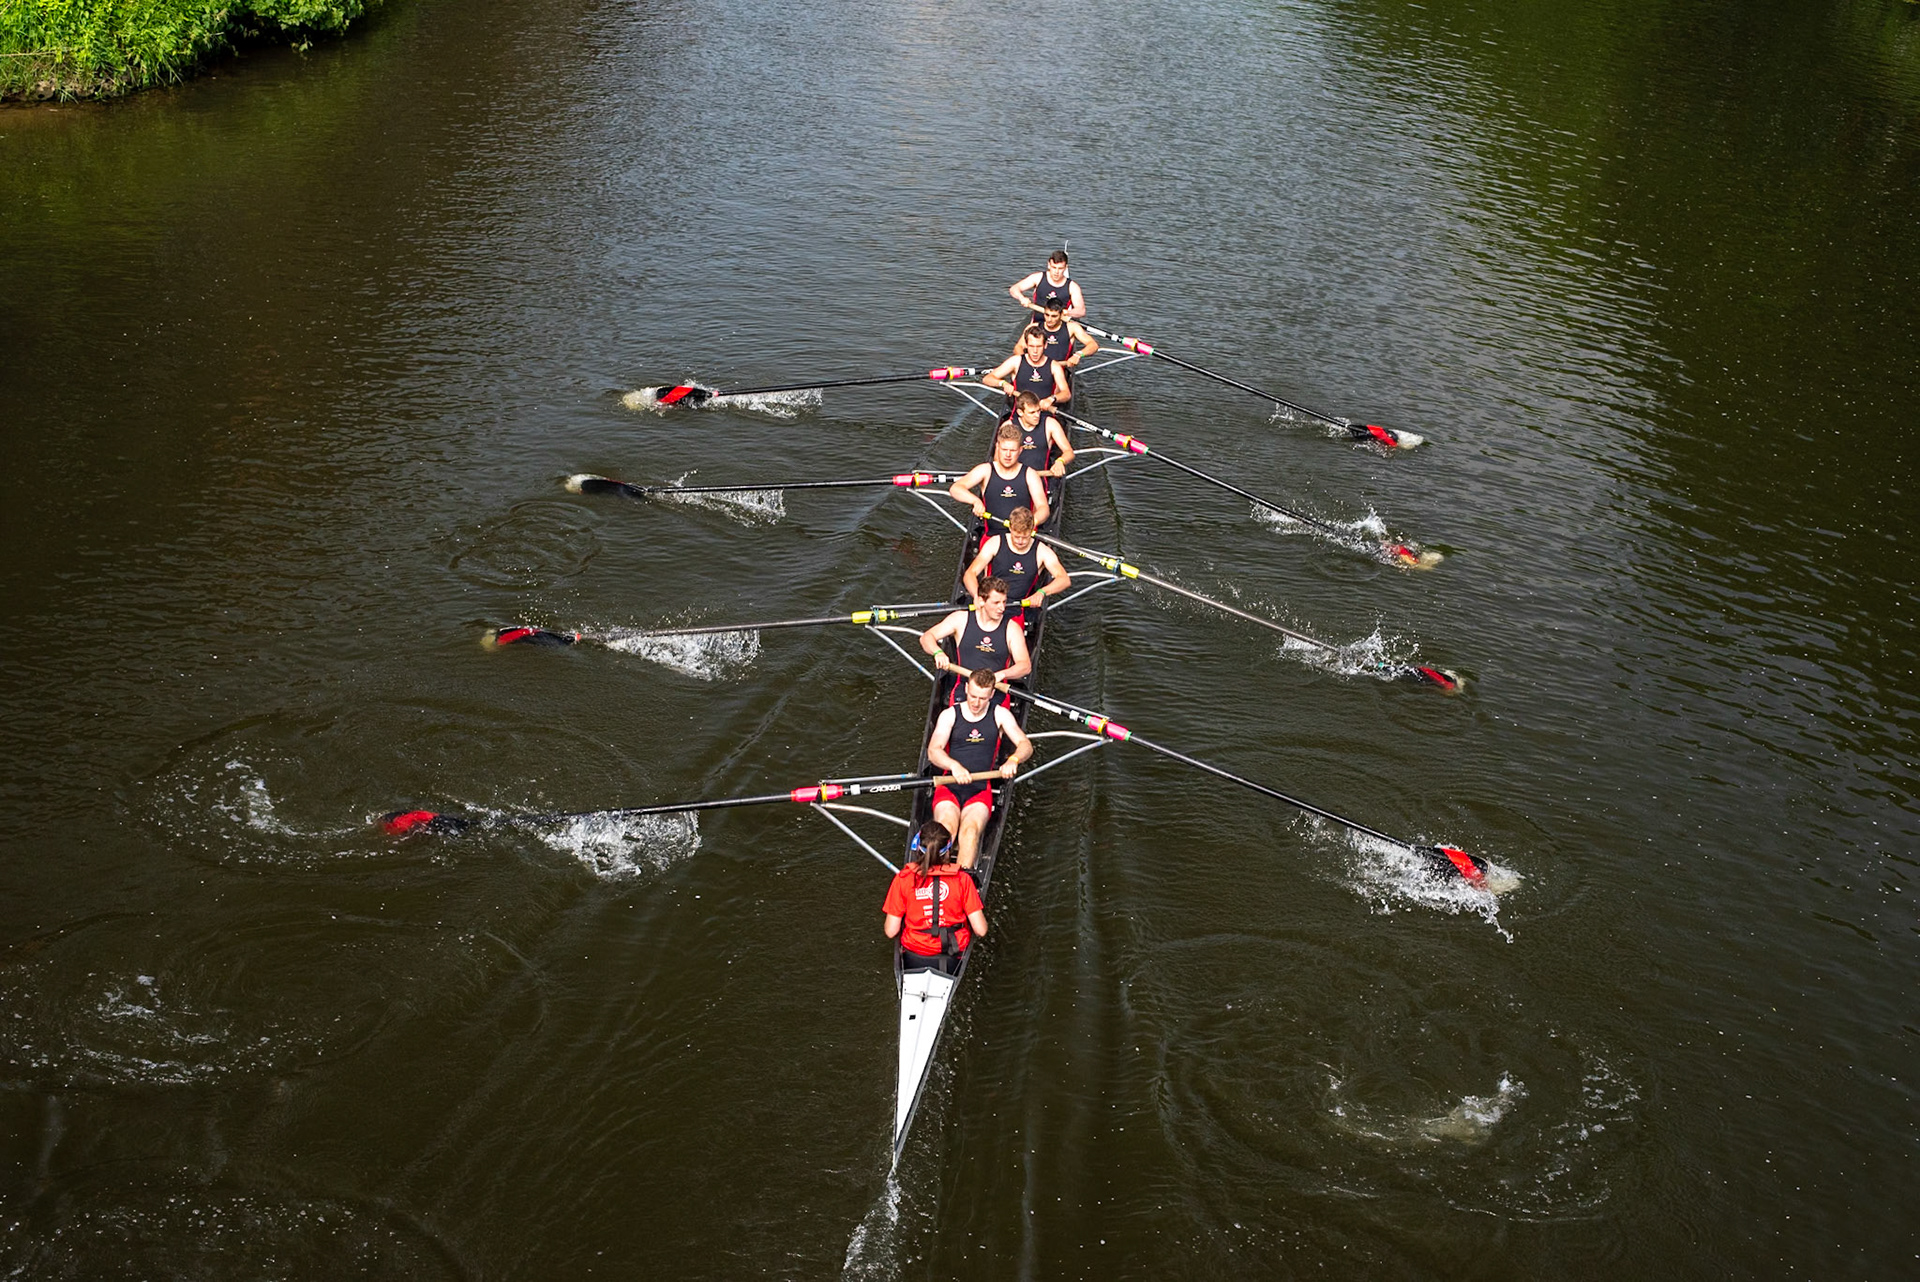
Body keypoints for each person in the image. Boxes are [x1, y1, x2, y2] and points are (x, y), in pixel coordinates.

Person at [924, 667, 1033, 869]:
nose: (976, 703)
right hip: (949, 786)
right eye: (973, 696)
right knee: (947, 829)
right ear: (966, 689)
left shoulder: (1001, 714)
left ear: (992, 694)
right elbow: (934, 751)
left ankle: (962, 883)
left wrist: (1014, 759)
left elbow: (1025, 745)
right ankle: (937, 880)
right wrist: (954, 766)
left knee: (970, 831)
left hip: (980, 790)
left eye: (983, 698)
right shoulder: (950, 715)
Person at [883, 819, 988, 970]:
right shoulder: (963, 879)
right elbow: (981, 930)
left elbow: (891, 931)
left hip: (914, 954)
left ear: (918, 848)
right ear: (948, 851)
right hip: (953, 953)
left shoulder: (903, 879)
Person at [919, 577, 1032, 687]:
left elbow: (1025, 666)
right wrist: (937, 652)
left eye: (1004, 602)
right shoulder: (960, 619)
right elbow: (926, 637)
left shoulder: (1012, 629)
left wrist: (1001, 675)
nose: (1002, 608)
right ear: (981, 601)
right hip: (964, 687)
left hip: (995, 689)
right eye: (996, 603)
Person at [949, 419, 1049, 536]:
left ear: (1020, 450)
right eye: (1004, 449)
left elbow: (1044, 508)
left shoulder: (1030, 474)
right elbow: (955, 488)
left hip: (1022, 536)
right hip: (992, 537)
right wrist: (975, 501)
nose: (1007, 455)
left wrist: (1030, 523)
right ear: (997, 447)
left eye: (1012, 450)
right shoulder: (985, 470)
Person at [962, 506, 1070, 611]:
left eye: (1025, 537)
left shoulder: (1042, 551)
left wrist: (1042, 592)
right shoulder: (995, 543)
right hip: (990, 604)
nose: (1020, 541)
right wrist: (977, 596)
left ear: (1032, 530)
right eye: (1016, 536)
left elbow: (1064, 579)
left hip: (1017, 608)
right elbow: (970, 573)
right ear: (1010, 528)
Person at [981, 325, 1070, 412]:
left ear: (1045, 345)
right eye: (1031, 346)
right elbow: (987, 378)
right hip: (1020, 414)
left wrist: (1052, 399)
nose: (1035, 351)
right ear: (1026, 345)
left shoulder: (1054, 366)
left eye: (1038, 346)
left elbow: (1066, 393)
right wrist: (1003, 383)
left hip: (1043, 412)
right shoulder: (1016, 361)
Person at [1001, 391, 1075, 485]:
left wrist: (1060, 461)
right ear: (1020, 412)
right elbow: (998, 459)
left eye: (1038, 411)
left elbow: (1069, 452)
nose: (1037, 416)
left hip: (1039, 481)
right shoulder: (1008, 426)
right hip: (1014, 480)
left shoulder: (1050, 424)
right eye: (1032, 412)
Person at [1008, 249, 1086, 319]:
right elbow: (1014, 289)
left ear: (1066, 268)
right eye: (1054, 267)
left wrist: (1066, 312)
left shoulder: (1072, 287)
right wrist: (1022, 298)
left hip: (1060, 325)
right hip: (1038, 324)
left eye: (1060, 268)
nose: (1056, 272)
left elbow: (1081, 311)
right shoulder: (1037, 278)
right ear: (1048, 265)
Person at [1035, 297, 1098, 372]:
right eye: (1047, 315)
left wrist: (1078, 355)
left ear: (1062, 315)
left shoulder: (1072, 328)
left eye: (1054, 316)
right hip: (1037, 368)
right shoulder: (1034, 327)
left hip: (1060, 369)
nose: (1049, 319)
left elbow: (1093, 345)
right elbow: (1019, 347)